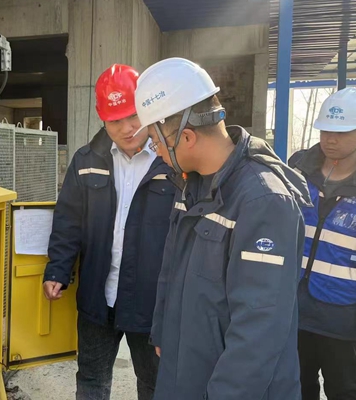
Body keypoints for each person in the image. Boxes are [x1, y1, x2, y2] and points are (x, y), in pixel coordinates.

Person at [135, 57, 309, 400]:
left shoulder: (262, 200)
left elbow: (259, 330)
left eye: (155, 142)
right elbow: (172, 268)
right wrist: (162, 331)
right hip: (186, 369)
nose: (155, 152)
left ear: (186, 137)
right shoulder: (192, 185)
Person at [42, 64, 174, 400]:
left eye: (133, 117)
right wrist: (58, 269)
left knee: (155, 383)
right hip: (99, 294)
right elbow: (68, 220)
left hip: (151, 299)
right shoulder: (86, 160)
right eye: (116, 121)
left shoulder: (172, 162)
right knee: (91, 378)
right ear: (102, 119)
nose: (127, 128)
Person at [288, 87, 356, 400]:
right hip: (292, 307)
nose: (330, 139)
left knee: (343, 389)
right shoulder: (297, 169)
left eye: (341, 132)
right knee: (294, 387)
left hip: (341, 314)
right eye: (326, 130)